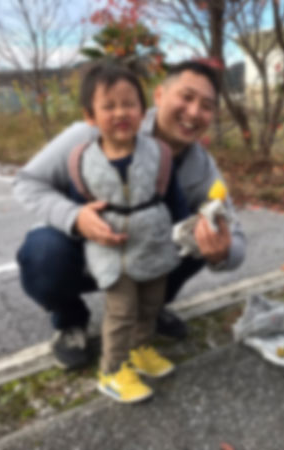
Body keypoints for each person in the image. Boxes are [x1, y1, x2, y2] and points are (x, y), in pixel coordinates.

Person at [14, 60, 246, 369]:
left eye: (206, 106)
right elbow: (27, 182)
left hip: (148, 253)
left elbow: (237, 236)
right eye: (186, 97)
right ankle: (70, 321)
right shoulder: (91, 133)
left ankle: (148, 311)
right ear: (159, 95)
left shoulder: (202, 169)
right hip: (88, 250)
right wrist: (75, 217)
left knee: (194, 238)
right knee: (42, 251)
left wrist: (220, 252)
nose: (193, 112)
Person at [71, 64, 185, 402]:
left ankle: (140, 350)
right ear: (90, 116)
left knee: (150, 304)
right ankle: (112, 370)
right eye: (109, 106)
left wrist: (191, 228)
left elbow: (174, 198)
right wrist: (82, 225)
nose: (120, 112)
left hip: (152, 243)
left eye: (129, 104)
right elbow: (81, 208)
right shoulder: (81, 160)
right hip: (111, 250)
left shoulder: (159, 153)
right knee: (121, 312)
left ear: (143, 109)